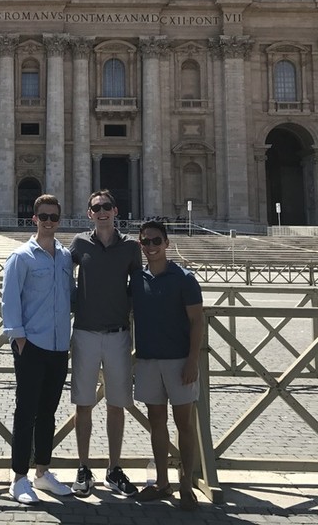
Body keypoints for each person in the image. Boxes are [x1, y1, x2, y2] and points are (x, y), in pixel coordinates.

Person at [1, 194, 75, 504]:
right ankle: (19, 477)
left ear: (59, 219)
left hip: (59, 346)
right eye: (43, 216)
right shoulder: (21, 256)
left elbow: (71, 294)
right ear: (34, 219)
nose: (48, 221)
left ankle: (42, 473)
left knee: (48, 412)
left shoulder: (65, 257)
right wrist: (18, 338)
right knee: (26, 411)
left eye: (53, 217)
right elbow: (9, 298)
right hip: (32, 345)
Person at [68, 190, 142, 498]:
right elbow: (61, 278)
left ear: (115, 210)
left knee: (117, 404)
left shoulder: (131, 248)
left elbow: (139, 289)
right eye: (96, 207)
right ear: (89, 213)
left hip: (117, 334)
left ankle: (114, 468)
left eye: (107, 206)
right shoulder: (79, 244)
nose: (102, 211)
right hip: (85, 333)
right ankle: (83, 467)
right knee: (83, 403)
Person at [132, 220, 204, 511]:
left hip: (178, 362)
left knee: (184, 424)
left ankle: (185, 484)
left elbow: (197, 320)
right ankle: (162, 482)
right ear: (140, 245)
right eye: (146, 242)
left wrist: (192, 361)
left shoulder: (184, 278)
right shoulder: (137, 279)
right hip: (149, 360)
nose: (151, 246)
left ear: (166, 243)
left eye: (156, 241)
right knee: (156, 423)